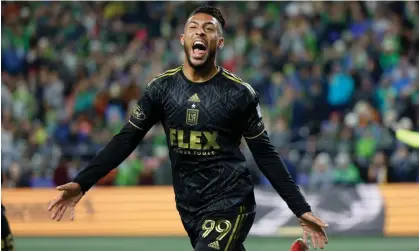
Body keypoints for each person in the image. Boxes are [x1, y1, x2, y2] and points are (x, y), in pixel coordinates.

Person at [48, 6, 328, 251]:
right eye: (193, 28)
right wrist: (83, 182)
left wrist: (300, 209)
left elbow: (265, 154)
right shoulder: (161, 89)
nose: (200, 33)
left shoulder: (239, 94)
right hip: (189, 207)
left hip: (231, 202)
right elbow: (125, 140)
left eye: (208, 29)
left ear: (219, 42)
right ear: (183, 40)